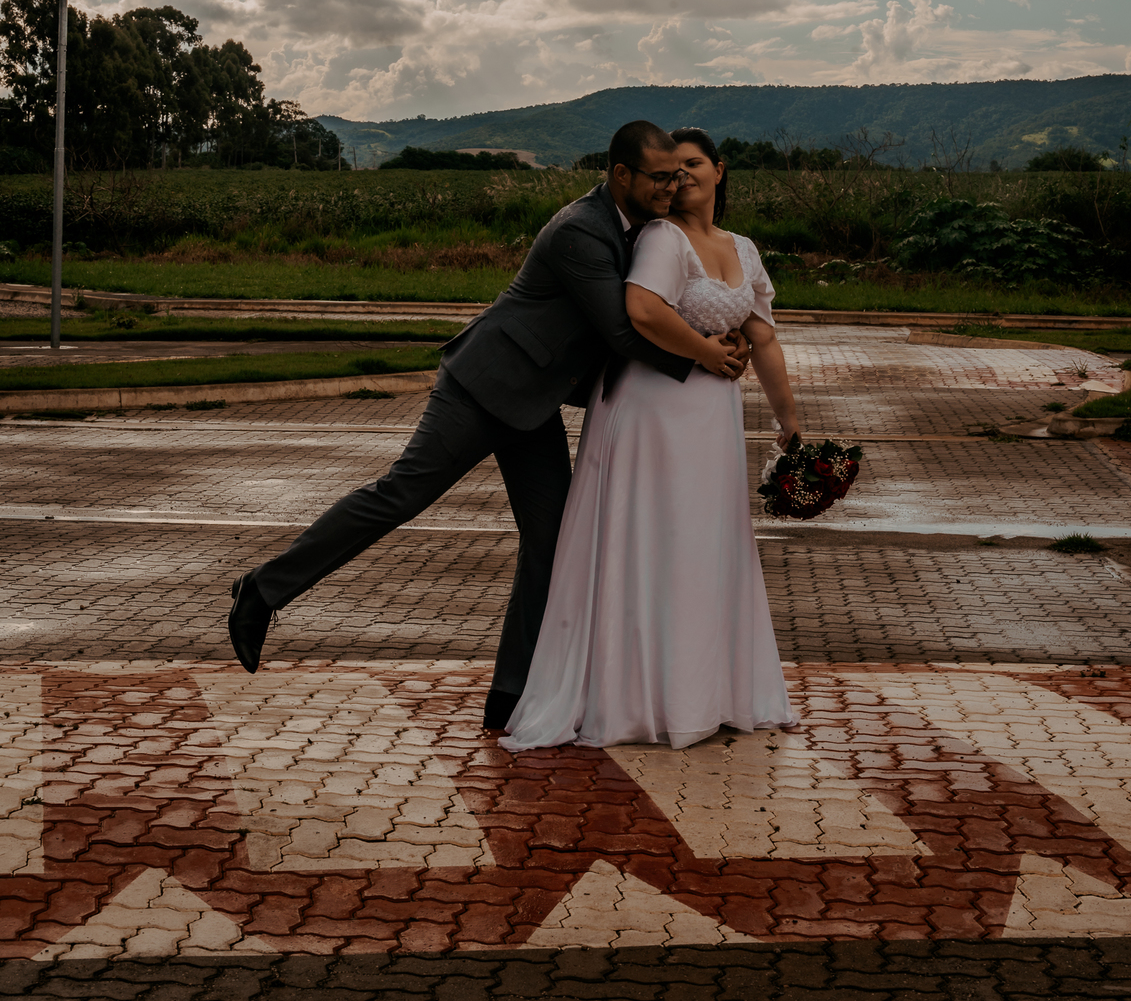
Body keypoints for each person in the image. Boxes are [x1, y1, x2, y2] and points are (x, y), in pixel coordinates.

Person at [226, 120, 751, 731]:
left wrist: (719, 332)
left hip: (534, 405)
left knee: (551, 542)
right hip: (482, 388)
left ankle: (510, 694)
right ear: (620, 175)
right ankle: (263, 590)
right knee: (399, 495)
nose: (671, 186)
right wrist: (705, 357)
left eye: (675, 176)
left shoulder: (639, 230)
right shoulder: (581, 230)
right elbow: (620, 330)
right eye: (658, 178)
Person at [501, 126, 801, 751]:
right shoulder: (663, 238)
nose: (681, 175)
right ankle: (637, 697)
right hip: (651, 412)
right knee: (655, 540)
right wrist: (706, 354)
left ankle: (702, 692)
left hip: (713, 419)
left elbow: (764, 337)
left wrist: (788, 419)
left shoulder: (742, 249)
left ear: (719, 169)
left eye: (693, 163)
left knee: (702, 546)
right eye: (670, 169)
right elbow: (642, 309)